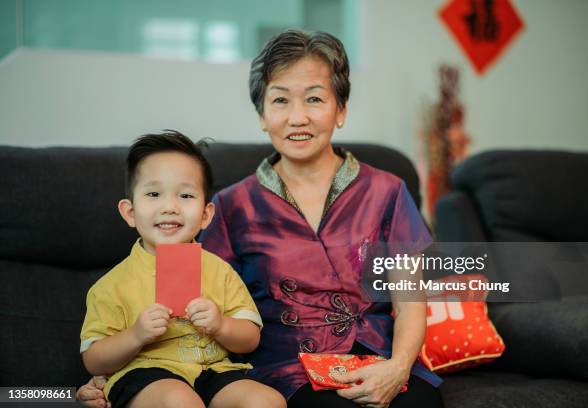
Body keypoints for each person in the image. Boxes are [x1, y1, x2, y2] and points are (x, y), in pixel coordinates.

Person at [78, 30, 444, 408]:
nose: (297, 117)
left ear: (341, 110)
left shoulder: (388, 191)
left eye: (314, 99)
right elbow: (186, 302)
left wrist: (398, 367)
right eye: (280, 100)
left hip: (379, 360)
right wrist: (109, 377)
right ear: (262, 116)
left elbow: (409, 299)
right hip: (290, 372)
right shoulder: (231, 206)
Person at [79, 131, 286, 408]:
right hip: (147, 375)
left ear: (205, 215)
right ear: (130, 212)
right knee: (180, 401)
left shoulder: (220, 272)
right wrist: (136, 335)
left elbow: (250, 339)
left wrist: (221, 324)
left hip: (214, 371)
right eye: (154, 194)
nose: (170, 207)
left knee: (267, 401)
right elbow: (93, 360)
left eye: (185, 195)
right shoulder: (111, 285)